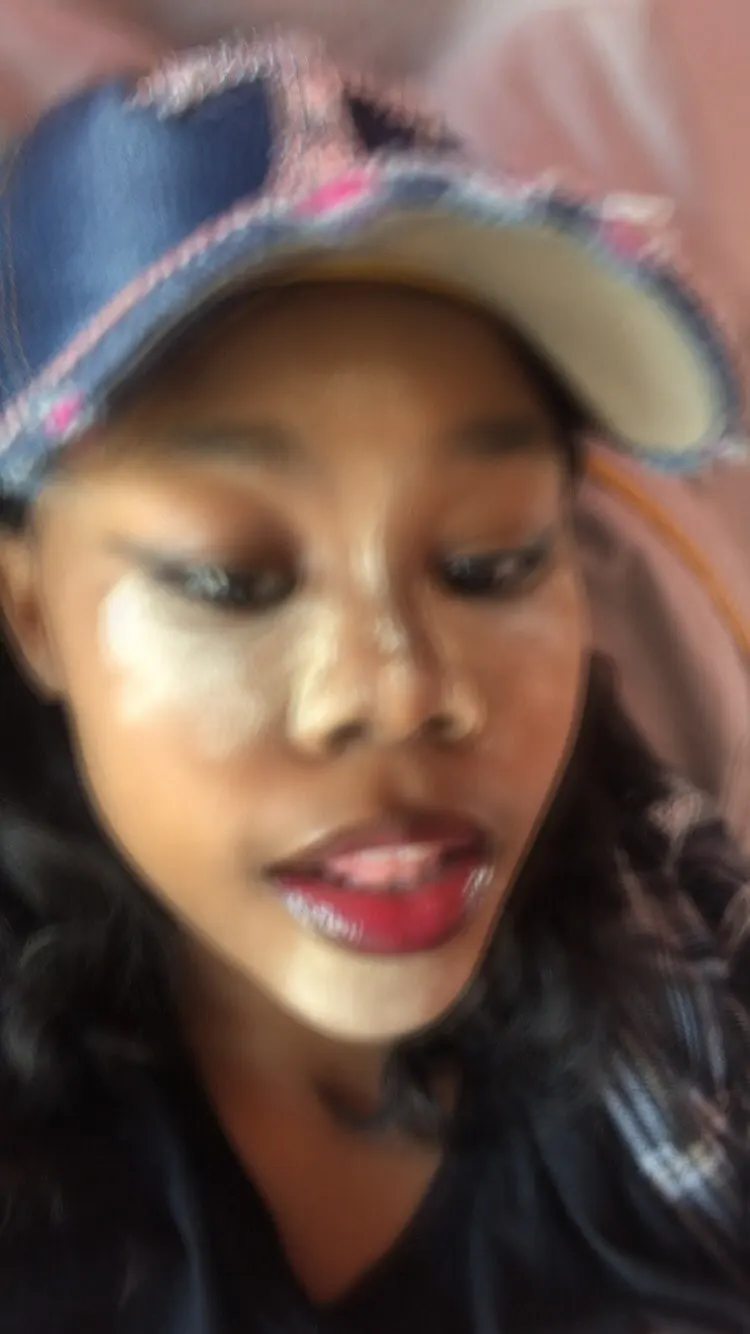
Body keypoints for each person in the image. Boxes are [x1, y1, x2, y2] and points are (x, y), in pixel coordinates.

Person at [0, 31, 748, 1334]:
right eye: (233, 579)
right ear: (31, 615)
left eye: (492, 560)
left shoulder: (689, 961)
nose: (398, 691)